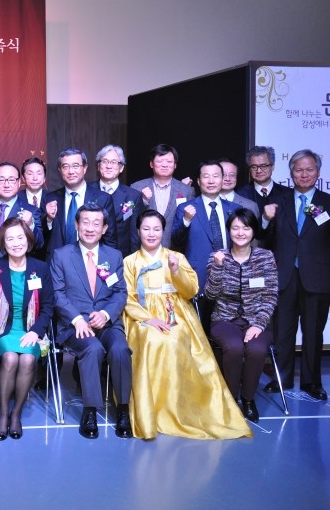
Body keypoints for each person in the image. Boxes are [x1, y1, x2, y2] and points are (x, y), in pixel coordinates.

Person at [123, 210, 251, 439]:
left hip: (175, 313)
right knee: (151, 340)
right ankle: (152, 409)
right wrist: (148, 319)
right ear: (138, 231)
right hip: (142, 315)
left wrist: (176, 271)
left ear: (163, 231)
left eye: (156, 229)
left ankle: (178, 406)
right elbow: (126, 298)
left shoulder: (176, 257)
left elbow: (191, 291)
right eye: (146, 229)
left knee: (174, 340)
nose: (151, 234)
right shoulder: (129, 262)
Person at [50, 204, 131, 439]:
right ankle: (90, 410)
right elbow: (57, 294)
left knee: (120, 349)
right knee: (93, 348)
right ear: (76, 225)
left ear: (104, 228)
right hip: (74, 324)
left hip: (107, 322)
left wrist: (106, 314)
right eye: (85, 222)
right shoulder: (62, 255)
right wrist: (77, 319)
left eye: (96, 223)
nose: (90, 228)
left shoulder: (114, 256)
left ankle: (123, 409)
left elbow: (120, 292)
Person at [0, 217, 53, 440]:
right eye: (10, 239)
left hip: (31, 329)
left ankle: (16, 414)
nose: (16, 243)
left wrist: (35, 331)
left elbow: (48, 306)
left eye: (20, 237)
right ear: (3, 242)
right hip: (3, 330)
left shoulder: (41, 268)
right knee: (10, 358)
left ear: (28, 240)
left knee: (27, 359)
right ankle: (2, 414)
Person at [263, 149, 329, 400]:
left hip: (318, 278)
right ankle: (282, 378)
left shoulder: (327, 202)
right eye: (298, 170)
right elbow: (265, 238)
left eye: (309, 169)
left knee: (313, 333)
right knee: (282, 332)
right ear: (291, 173)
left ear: (318, 172)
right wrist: (266, 219)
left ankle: (312, 382)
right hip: (285, 276)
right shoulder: (278, 201)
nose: (304, 174)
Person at [206, 209, 278, 422]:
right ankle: (230, 399)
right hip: (224, 319)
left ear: (253, 231)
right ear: (229, 231)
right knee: (234, 346)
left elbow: (270, 295)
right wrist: (218, 267)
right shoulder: (218, 257)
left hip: (257, 320)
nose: (240, 233)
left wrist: (258, 324)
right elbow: (210, 294)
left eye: (246, 228)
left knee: (256, 349)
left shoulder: (265, 257)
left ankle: (248, 399)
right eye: (235, 228)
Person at [170, 160, 241, 294]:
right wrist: (186, 220)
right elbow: (176, 241)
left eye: (216, 176)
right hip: (197, 275)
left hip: (230, 275)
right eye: (206, 176)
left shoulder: (235, 209)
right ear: (198, 181)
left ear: (222, 179)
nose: (211, 181)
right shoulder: (185, 208)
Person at [43, 148, 117, 257]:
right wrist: (48, 220)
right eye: (65, 167)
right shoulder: (49, 199)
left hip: (91, 260)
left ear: (85, 168)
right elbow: (41, 239)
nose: (71, 171)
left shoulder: (103, 199)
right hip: (57, 261)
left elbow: (110, 239)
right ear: (60, 170)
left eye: (75, 166)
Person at [0, 162, 43, 264]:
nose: (6, 184)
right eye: (1, 180)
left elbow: (39, 244)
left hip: (16, 266)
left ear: (19, 182)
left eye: (12, 180)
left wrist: (30, 225)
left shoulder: (31, 210)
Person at [131, 144, 194, 246]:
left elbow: (190, 224)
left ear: (175, 165)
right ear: (151, 164)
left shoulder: (186, 191)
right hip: (143, 248)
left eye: (169, 162)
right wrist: (143, 201)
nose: (164, 165)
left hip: (174, 248)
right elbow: (128, 217)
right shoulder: (136, 187)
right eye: (160, 161)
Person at [96, 144, 142, 257]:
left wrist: (132, 260)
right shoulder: (87, 190)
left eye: (113, 162)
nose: (108, 166)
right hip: (90, 254)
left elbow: (134, 235)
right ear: (98, 166)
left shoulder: (133, 196)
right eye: (105, 161)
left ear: (121, 168)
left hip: (121, 255)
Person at [236, 145, 292, 216]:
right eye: (254, 167)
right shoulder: (240, 195)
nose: (259, 171)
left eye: (263, 166)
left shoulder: (288, 193)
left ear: (273, 166)